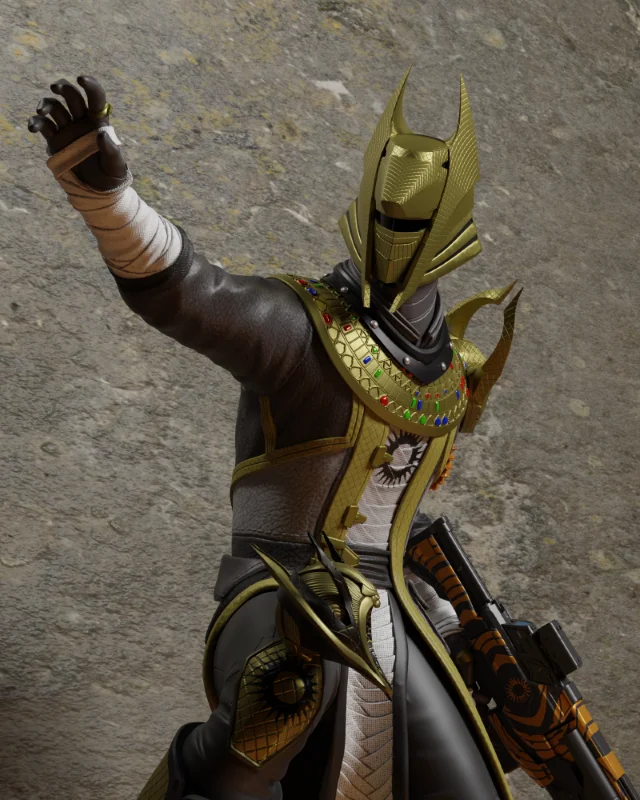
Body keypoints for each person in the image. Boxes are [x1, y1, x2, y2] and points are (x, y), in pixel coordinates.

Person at [29, 70, 634, 800]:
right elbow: (191, 291)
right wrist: (107, 198)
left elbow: (393, 521)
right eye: (386, 219)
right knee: (281, 694)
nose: (393, 241)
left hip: (397, 610)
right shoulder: (299, 327)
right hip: (279, 587)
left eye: (411, 226)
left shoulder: (454, 371)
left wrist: (453, 622)